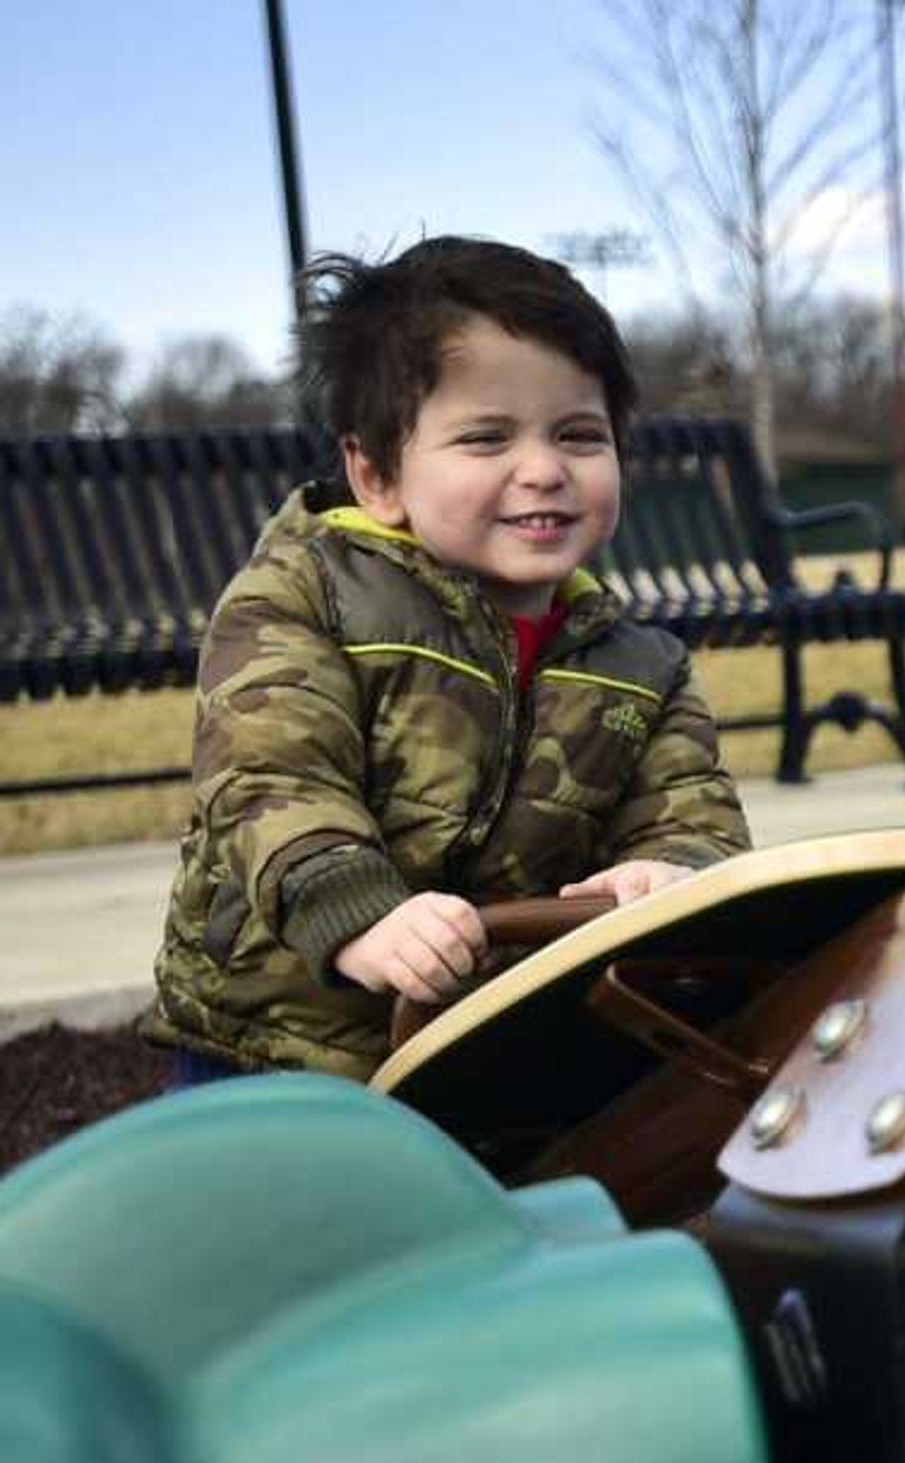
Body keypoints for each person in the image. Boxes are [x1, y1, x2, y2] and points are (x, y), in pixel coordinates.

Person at [145, 237, 748, 1081]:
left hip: (491, 1044)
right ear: (377, 473)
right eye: (486, 438)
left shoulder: (642, 669)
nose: (543, 470)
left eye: (579, 435)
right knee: (270, 1209)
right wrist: (359, 918)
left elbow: (690, 809)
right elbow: (271, 780)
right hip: (278, 1046)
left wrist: (673, 870)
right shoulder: (303, 598)